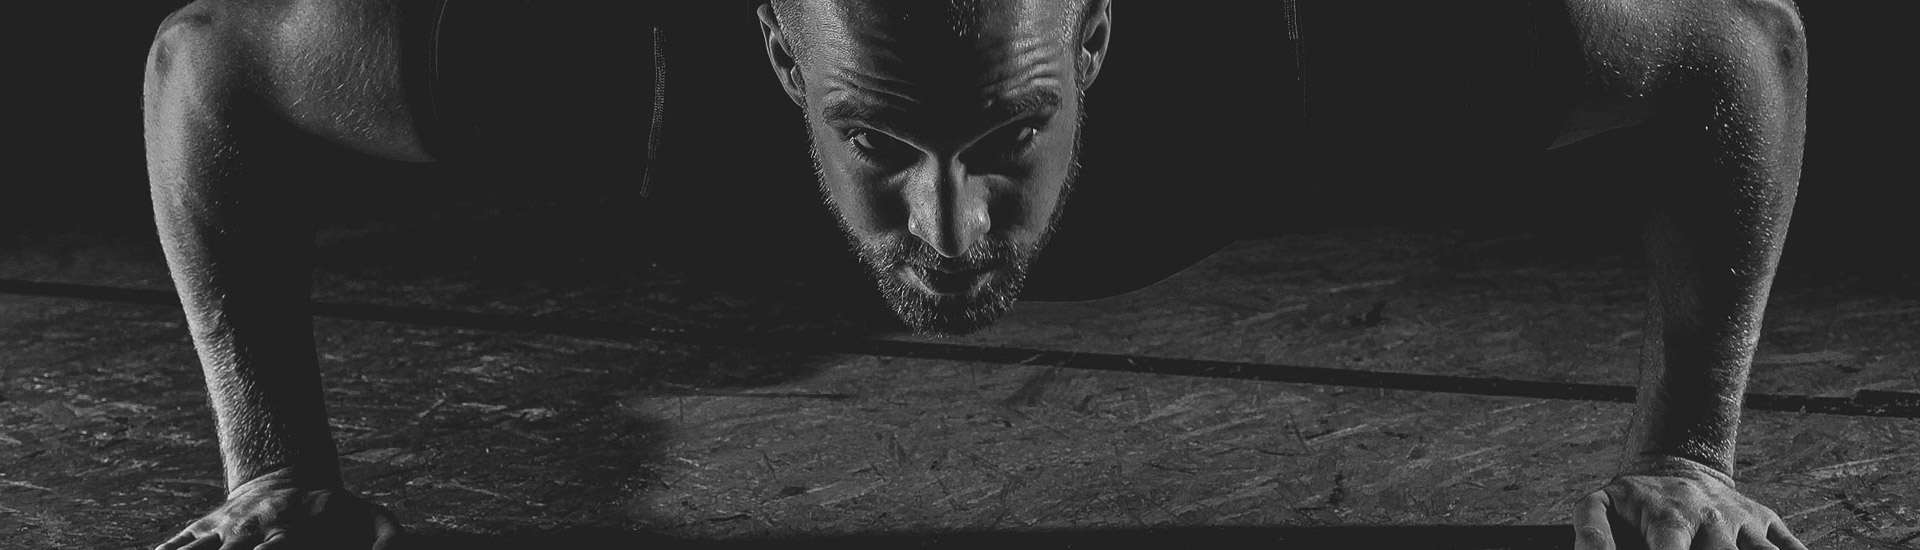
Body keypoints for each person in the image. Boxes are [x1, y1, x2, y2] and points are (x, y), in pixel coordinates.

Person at [142, 0, 1810, 548]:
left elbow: (1741, 50)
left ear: (1096, 41)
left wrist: (1692, 452)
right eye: (881, 143)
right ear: (780, 62)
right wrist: (275, 471)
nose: (951, 227)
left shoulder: (1298, 56)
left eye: (1011, 138)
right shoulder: (604, 75)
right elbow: (203, 72)